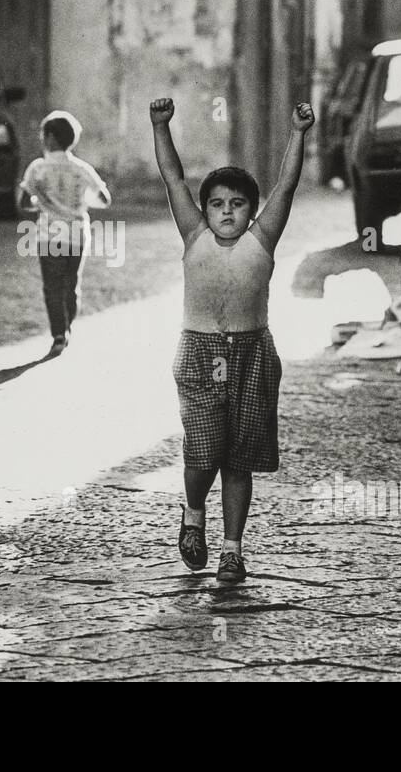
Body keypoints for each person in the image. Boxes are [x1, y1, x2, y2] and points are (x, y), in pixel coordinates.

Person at [150, 95, 314, 583]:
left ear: (252, 210)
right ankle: (194, 513)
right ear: (204, 210)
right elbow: (172, 179)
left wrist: (299, 132)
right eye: (217, 204)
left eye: (237, 204)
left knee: (238, 459)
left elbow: (288, 184)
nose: (227, 212)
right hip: (199, 354)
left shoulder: (261, 240)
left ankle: (232, 550)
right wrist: (161, 126)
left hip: (252, 355)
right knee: (203, 453)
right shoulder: (194, 236)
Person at [21, 110, 111, 356]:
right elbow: (104, 199)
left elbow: (23, 203)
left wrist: (39, 197)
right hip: (76, 235)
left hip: (49, 235)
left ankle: (59, 334)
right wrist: (81, 200)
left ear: (50, 137)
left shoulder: (38, 168)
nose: (42, 139)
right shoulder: (82, 168)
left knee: (52, 287)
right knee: (71, 285)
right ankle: (68, 325)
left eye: (43, 134)